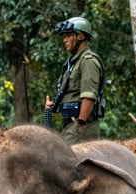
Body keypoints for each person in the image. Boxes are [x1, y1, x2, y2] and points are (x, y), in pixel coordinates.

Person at [45, 16, 102, 145]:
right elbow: (72, 94)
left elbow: (89, 96)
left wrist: (80, 124)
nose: (64, 40)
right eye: (63, 37)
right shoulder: (73, 63)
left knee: (63, 161)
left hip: (81, 125)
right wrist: (54, 106)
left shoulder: (88, 60)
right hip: (70, 124)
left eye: (68, 36)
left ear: (80, 36)